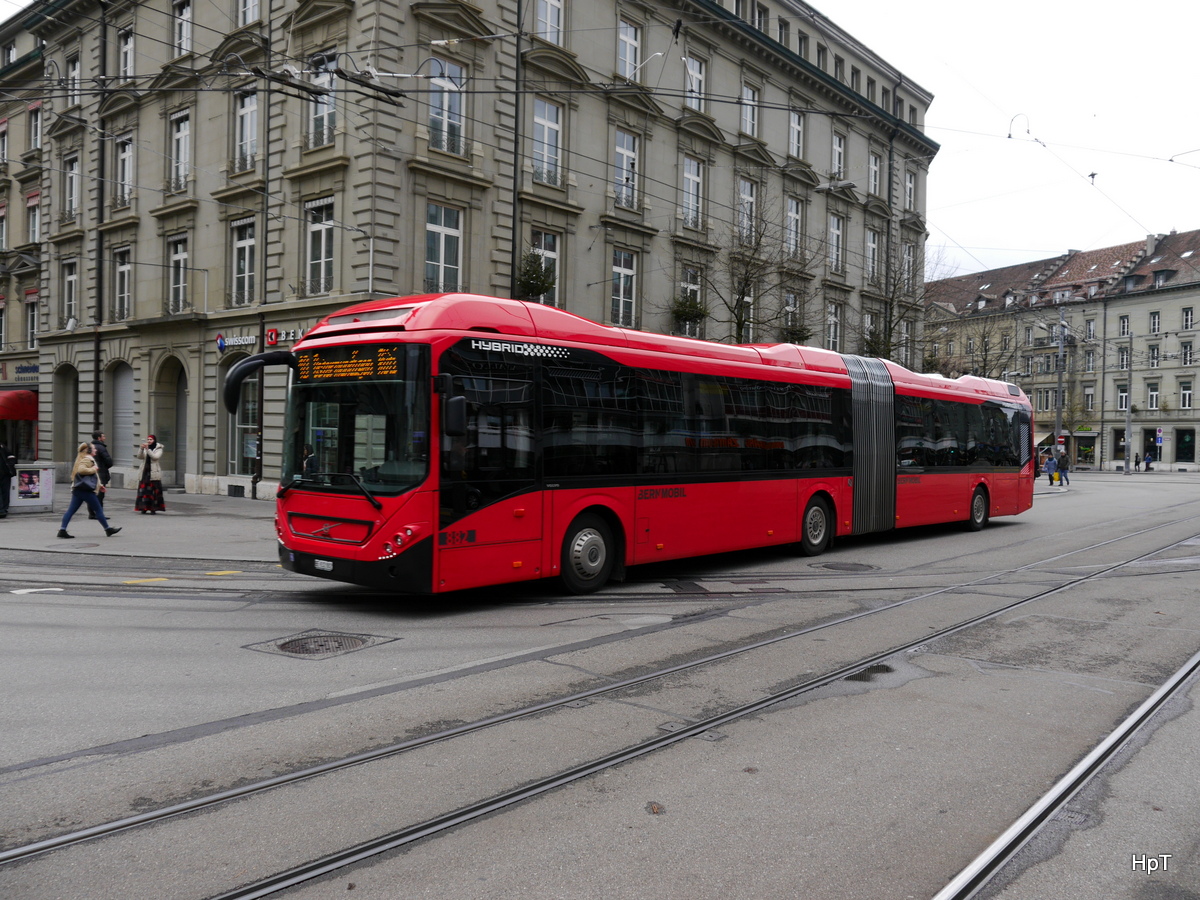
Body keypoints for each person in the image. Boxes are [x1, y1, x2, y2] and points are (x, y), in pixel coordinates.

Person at [58, 443, 121, 538]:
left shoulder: (83, 458)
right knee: (98, 510)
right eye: (94, 449)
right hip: (86, 490)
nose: (96, 450)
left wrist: (99, 486)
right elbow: (82, 470)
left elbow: (92, 477)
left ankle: (62, 530)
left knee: (71, 510)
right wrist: (94, 469)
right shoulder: (87, 459)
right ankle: (108, 529)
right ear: (89, 450)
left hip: (78, 489)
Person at [135, 434, 166, 514]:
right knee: (144, 491)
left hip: (153, 472)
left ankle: (153, 508)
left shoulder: (159, 448)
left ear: (154, 440)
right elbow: (139, 457)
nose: (149, 441)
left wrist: (148, 449)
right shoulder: (146, 448)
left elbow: (155, 457)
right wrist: (141, 449)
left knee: (153, 491)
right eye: (148, 439)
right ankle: (143, 508)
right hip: (145, 471)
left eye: (151, 440)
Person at [88, 431, 113, 519]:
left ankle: (92, 513)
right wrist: (105, 467)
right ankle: (99, 514)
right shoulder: (101, 447)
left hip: (90, 473)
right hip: (100, 473)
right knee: (100, 495)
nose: (104, 438)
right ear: (99, 438)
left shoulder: (89, 447)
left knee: (92, 494)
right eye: (103, 436)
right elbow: (108, 461)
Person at [0, 440, 14, 518]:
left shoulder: (2, 447)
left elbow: (11, 457)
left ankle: (3, 510)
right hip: (5, 473)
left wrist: (10, 466)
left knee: (5, 492)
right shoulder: (2, 446)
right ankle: (2, 510)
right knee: (5, 492)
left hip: (5, 473)